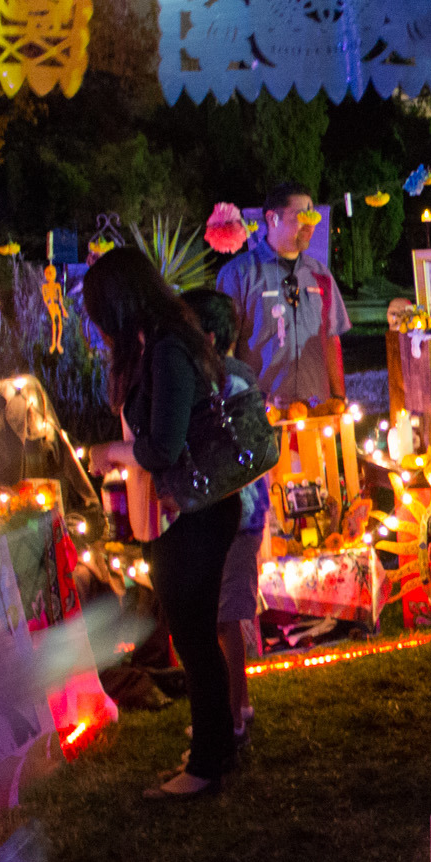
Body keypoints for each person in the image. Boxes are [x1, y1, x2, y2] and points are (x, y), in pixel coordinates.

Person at [84, 247, 243, 800]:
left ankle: (205, 766)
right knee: (195, 637)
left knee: (194, 640)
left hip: (195, 513)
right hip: (188, 512)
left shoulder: (169, 349)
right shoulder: (162, 343)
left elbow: (162, 448)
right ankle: (216, 747)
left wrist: (110, 452)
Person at [181, 287, 266, 743]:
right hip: (242, 511)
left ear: (208, 337)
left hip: (237, 512)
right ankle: (240, 702)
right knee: (225, 614)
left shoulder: (223, 383)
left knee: (227, 616)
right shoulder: (238, 377)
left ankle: (232, 717)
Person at [215, 181, 349, 409]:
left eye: (313, 217)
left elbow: (330, 338)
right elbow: (224, 350)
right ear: (272, 219)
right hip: (262, 413)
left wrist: (338, 398)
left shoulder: (320, 274)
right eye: (301, 216)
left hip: (317, 411)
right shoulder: (238, 274)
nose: (309, 225)